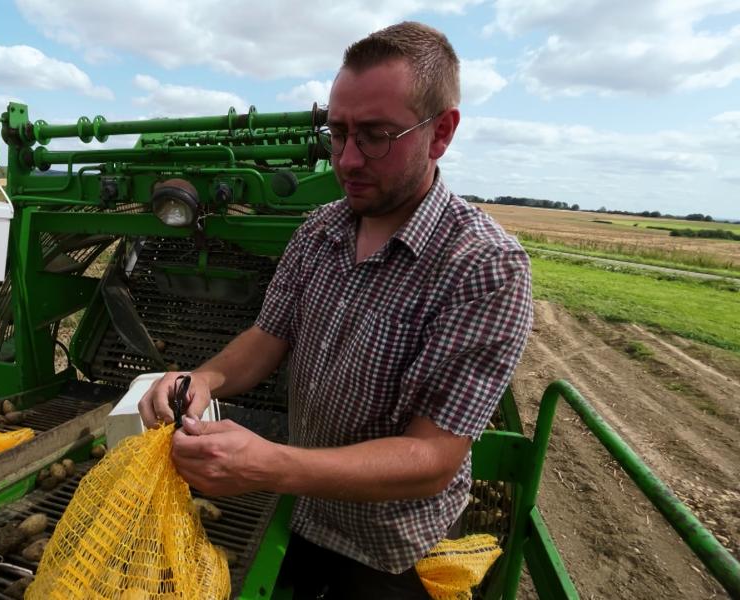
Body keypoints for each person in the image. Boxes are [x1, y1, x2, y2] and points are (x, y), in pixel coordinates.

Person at [139, 21, 533, 599]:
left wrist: (270, 465)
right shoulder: (319, 231)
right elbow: (266, 338)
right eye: (338, 132)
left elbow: (432, 458)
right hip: (296, 510)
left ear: (442, 132)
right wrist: (201, 377)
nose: (347, 159)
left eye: (375, 135)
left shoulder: (483, 266)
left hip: (388, 550)